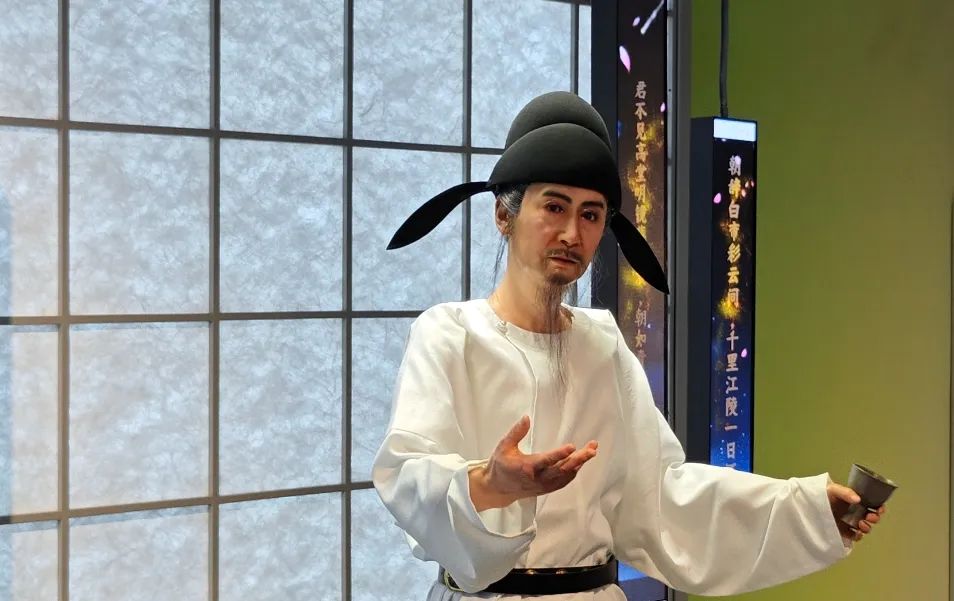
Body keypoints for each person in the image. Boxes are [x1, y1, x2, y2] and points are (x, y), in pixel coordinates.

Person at [372, 91, 885, 600]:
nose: (572, 233)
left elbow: (660, 495)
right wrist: (490, 483)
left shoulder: (602, 346)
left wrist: (810, 510)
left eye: (591, 215)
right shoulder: (450, 334)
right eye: (554, 206)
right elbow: (407, 474)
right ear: (504, 215)